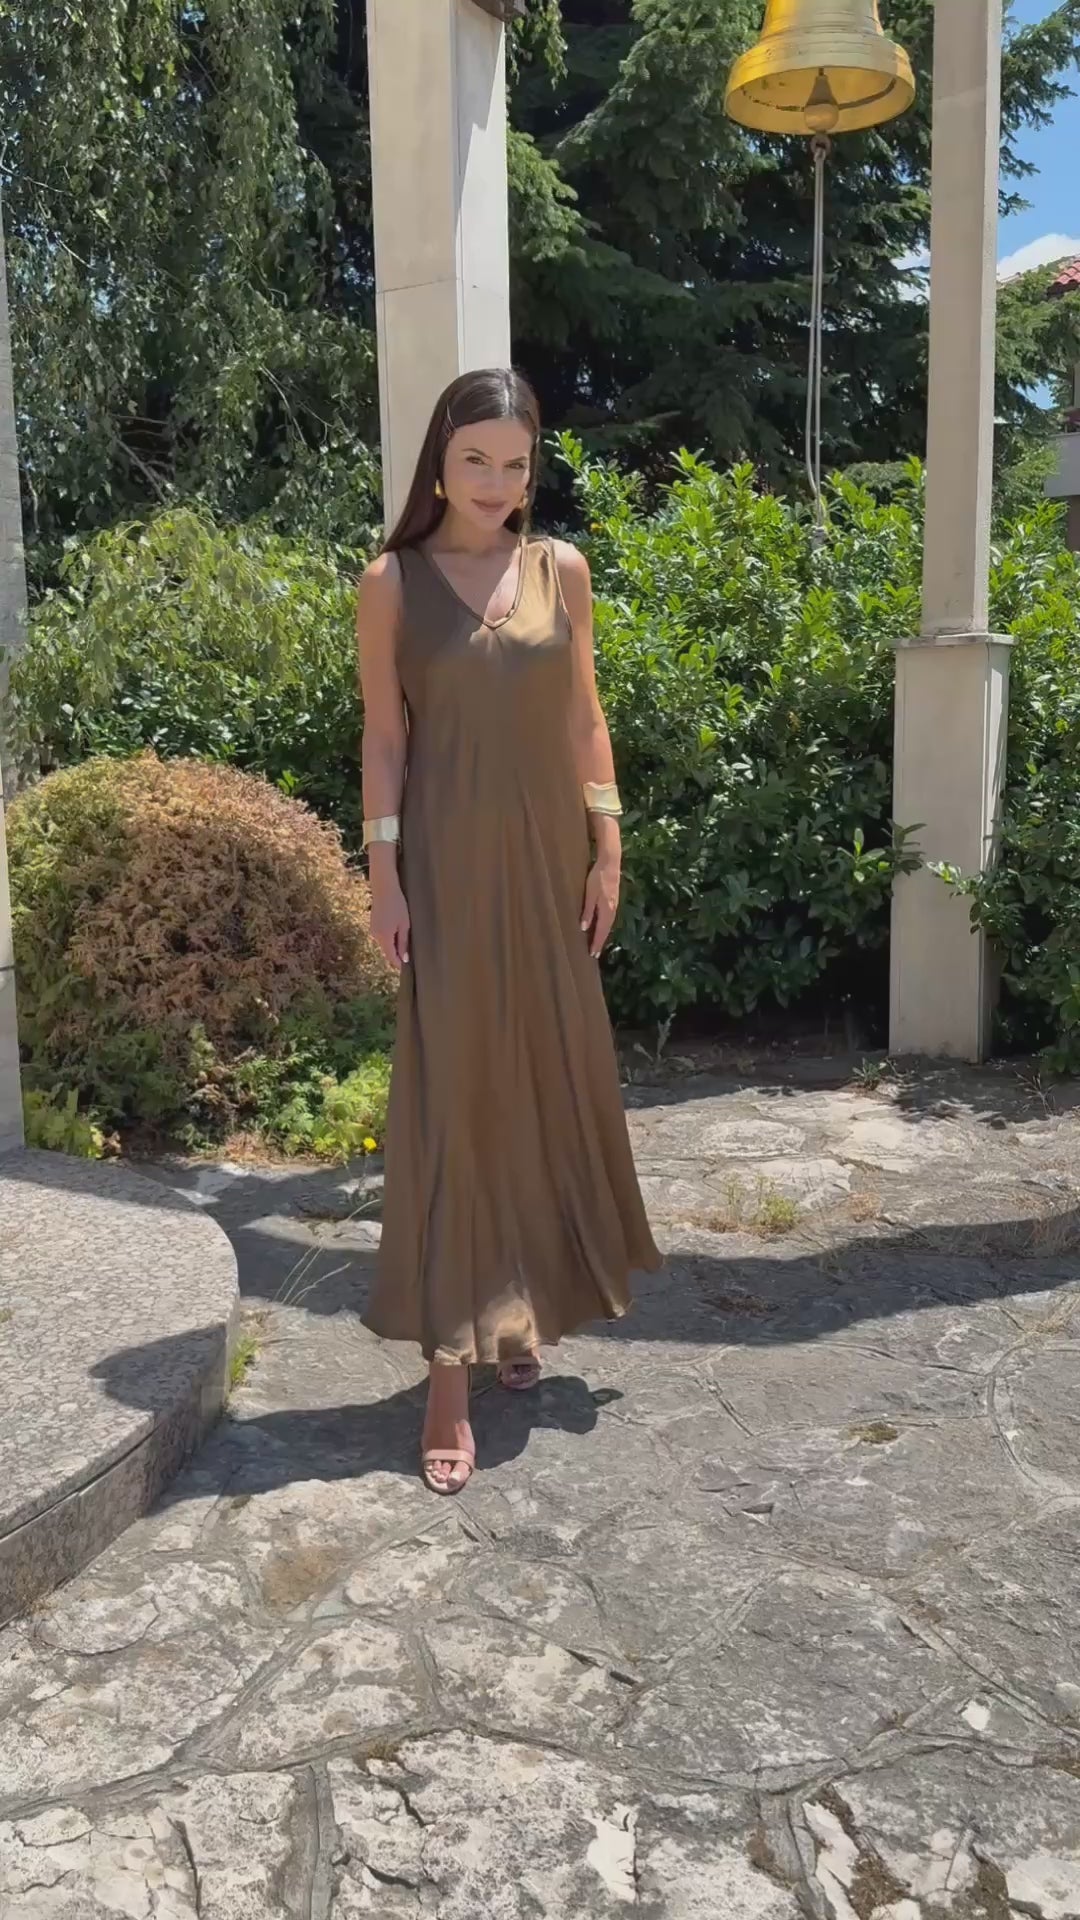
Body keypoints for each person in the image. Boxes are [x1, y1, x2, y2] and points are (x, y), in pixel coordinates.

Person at [356, 367, 661, 1495]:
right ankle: (449, 1370)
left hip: (547, 869)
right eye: (475, 459)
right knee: (456, 1101)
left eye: (515, 463)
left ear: (534, 472)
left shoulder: (559, 570)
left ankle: (519, 1307)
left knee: (544, 1083)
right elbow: (385, 739)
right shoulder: (391, 581)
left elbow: (585, 716)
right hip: (444, 872)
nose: (495, 482)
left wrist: (608, 844)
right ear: (440, 463)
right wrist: (383, 876)